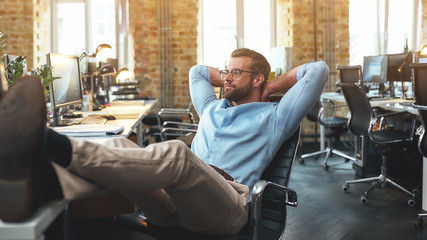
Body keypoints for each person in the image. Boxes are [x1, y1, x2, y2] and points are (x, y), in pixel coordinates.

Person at [0, 48, 328, 235]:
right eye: (226, 71)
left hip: (227, 207)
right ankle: (39, 183)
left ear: (258, 78)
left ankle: (46, 142)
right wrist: (233, 77)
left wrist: (268, 87)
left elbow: (318, 71)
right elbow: (198, 71)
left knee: (178, 156)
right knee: (121, 147)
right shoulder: (212, 107)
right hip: (172, 203)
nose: (226, 78)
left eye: (236, 73)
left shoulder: (275, 117)